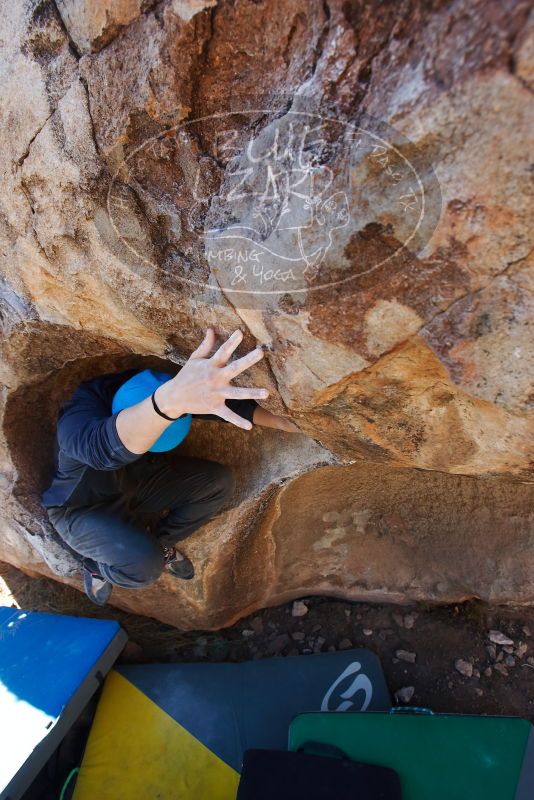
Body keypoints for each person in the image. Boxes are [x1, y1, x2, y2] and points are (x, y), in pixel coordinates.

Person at [41, 328, 298, 605]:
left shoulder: (146, 384)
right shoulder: (78, 419)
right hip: (82, 508)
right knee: (144, 567)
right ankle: (96, 567)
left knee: (217, 483)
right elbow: (104, 451)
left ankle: (161, 541)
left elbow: (217, 403)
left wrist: (286, 421)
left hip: (135, 480)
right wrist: (169, 401)